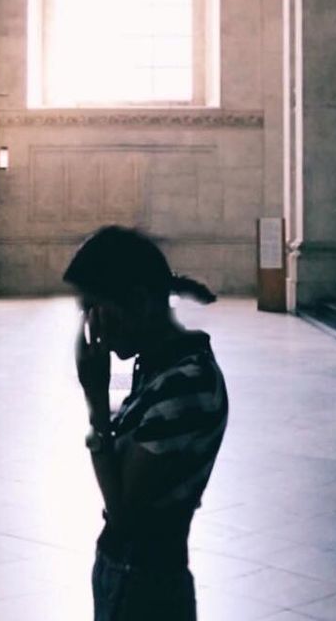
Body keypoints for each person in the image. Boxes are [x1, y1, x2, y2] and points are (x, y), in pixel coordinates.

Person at [63, 225, 229, 621]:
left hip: (147, 586)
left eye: (95, 307)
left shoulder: (186, 384)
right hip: (129, 576)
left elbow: (124, 513)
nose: (91, 324)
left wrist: (96, 401)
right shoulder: (158, 368)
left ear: (139, 301)